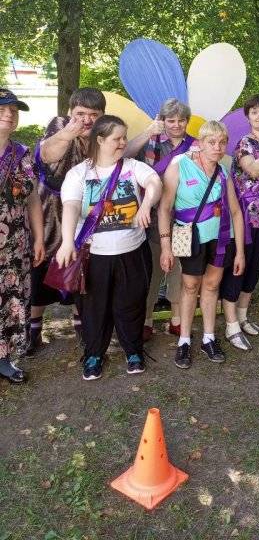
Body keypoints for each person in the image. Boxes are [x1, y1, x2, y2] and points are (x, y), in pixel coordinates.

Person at [55, 115, 161, 381]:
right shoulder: (79, 173)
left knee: (132, 303)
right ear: (100, 140)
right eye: (117, 139)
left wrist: (146, 204)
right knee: (93, 307)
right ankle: (94, 354)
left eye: (125, 137)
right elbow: (70, 206)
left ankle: (133, 350)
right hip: (93, 256)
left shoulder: (132, 166)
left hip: (132, 253)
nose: (123, 143)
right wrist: (68, 241)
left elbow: (154, 183)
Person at [158, 120, 245, 370]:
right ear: (201, 142)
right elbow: (164, 208)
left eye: (222, 143)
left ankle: (209, 337)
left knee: (211, 284)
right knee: (189, 285)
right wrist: (165, 246)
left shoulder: (223, 171)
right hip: (191, 236)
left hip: (219, 238)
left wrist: (239, 252)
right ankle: (184, 340)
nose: (217, 148)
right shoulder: (180, 166)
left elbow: (237, 213)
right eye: (211, 142)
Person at [28, 87, 105, 354]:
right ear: (70, 112)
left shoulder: (101, 134)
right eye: (80, 113)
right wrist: (68, 133)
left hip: (85, 213)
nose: (86, 120)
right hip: (51, 211)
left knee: (82, 269)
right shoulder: (60, 125)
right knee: (40, 268)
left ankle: (80, 326)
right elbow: (47, 154)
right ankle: (34, 329)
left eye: (93, 115)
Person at [125, 98, 199, 341]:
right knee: (154, 267)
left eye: (181, 120)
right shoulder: (151, 141)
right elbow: (123, 156)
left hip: (185, 215)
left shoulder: (195, 146)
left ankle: (177, 318)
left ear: (187, 121)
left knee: (178, 267)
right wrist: (148, 132)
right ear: (162, 120)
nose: (176, 125)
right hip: (154, 212)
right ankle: (146, 319)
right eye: (171, 120)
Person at [220, 95, 259, 350]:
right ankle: (231, 325)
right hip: (243, 217)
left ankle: (244, 315)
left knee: (254, 268)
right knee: (238, 268)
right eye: (254, 112)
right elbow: (254, 170)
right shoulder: (244, 143)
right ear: (248, 117)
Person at [0, 90, 44, 383]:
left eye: (14, 110)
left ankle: (4, 359)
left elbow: (32, 201)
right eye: (3, 108)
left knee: (11, 299)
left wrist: (40, 238)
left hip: (14, 243)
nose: (9, 114)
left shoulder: (22, 153)